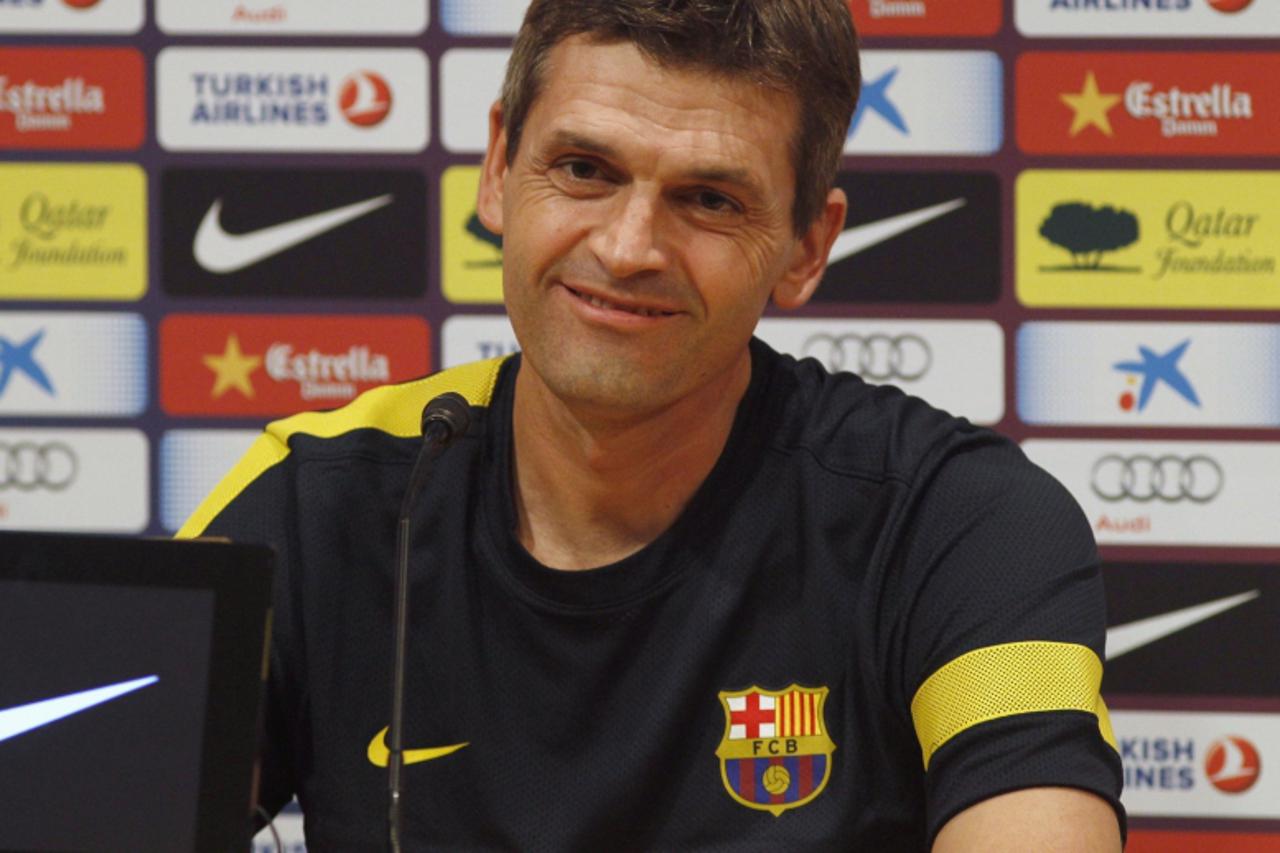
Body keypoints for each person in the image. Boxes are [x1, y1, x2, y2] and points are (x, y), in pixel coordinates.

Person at [179, 0, 1125, 849]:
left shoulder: (964, 526)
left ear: (806, 247)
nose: (628, 249)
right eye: (584, 169)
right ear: (500, 169)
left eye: (710, 200)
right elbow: (93, 807)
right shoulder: (316, 498)